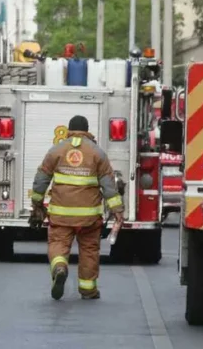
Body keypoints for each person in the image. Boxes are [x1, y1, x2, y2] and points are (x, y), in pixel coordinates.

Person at [28, 115, 124, 301]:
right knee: (89, 250)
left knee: (58, 244)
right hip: (89, 217)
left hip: (61, 215)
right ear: (87, 130)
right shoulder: (98, 153)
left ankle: (60, 267)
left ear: (69, 129)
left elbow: (41, 179)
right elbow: (109, 186)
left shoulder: (56, 150)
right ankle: (88, 290)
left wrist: (37, 203)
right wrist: (117, 210)